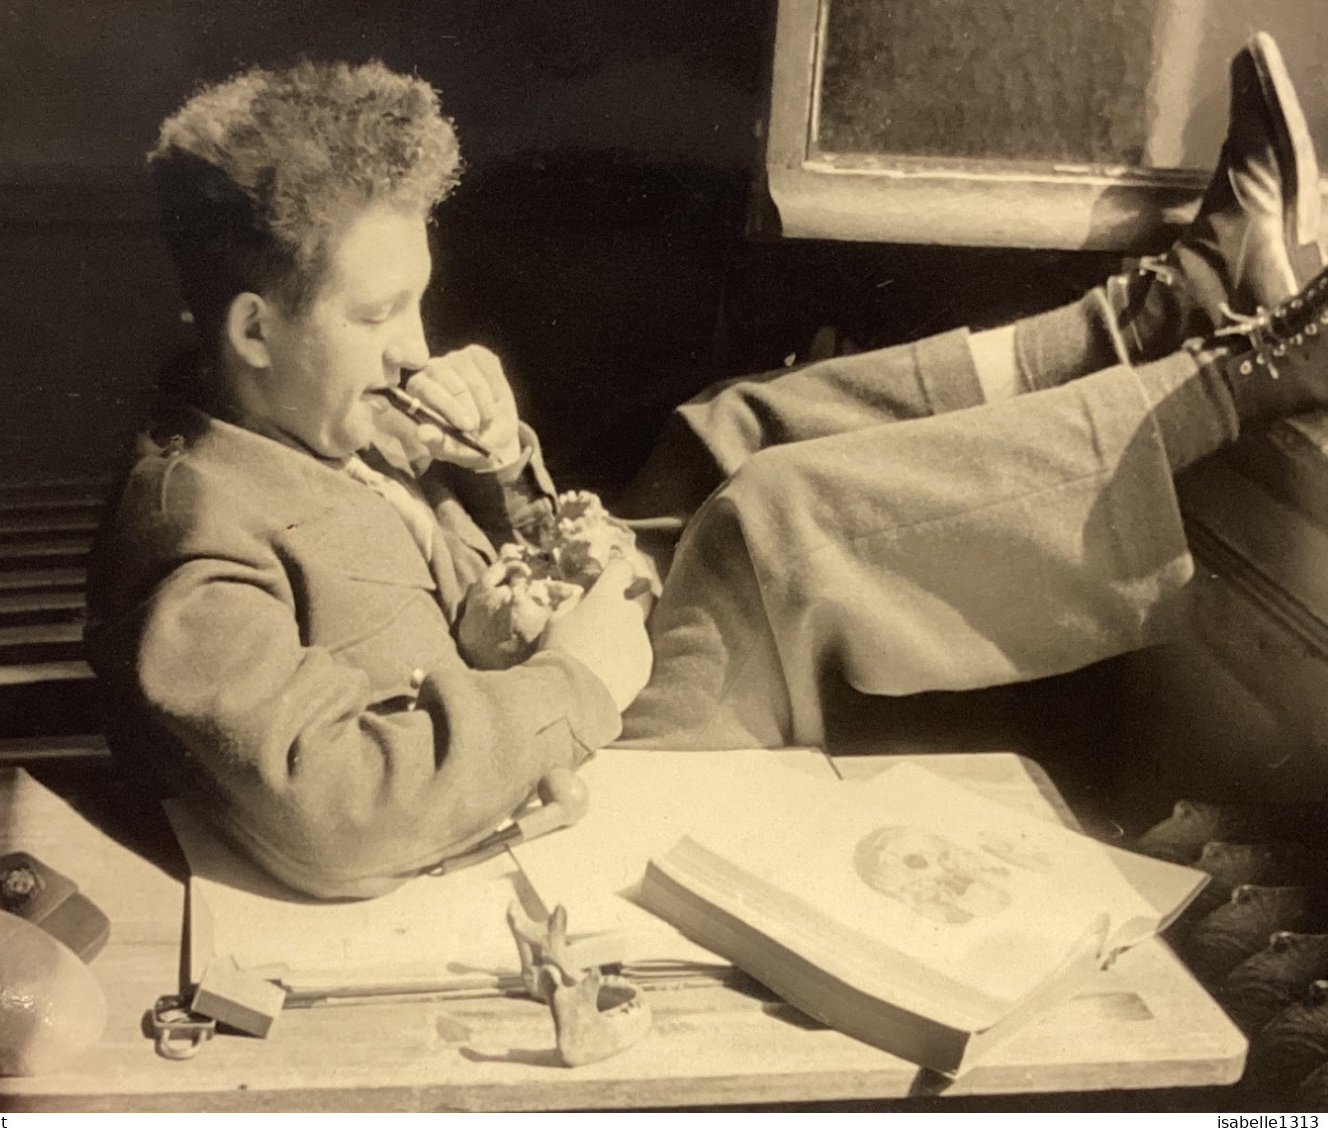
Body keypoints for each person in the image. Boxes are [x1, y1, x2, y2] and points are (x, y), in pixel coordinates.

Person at [87, 36, 1328, 898]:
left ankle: (1155, 316)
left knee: (720, 435)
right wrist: (572, 673)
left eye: (416, 304)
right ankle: (1235, 382)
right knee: (765, 528)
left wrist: (503, 468)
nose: (415, 348)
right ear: (252, 329)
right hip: (574, 793)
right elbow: (326, 805)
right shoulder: (192, 532)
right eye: (377, 317)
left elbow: (447, 581)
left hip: (562, 693)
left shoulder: (311, 417)